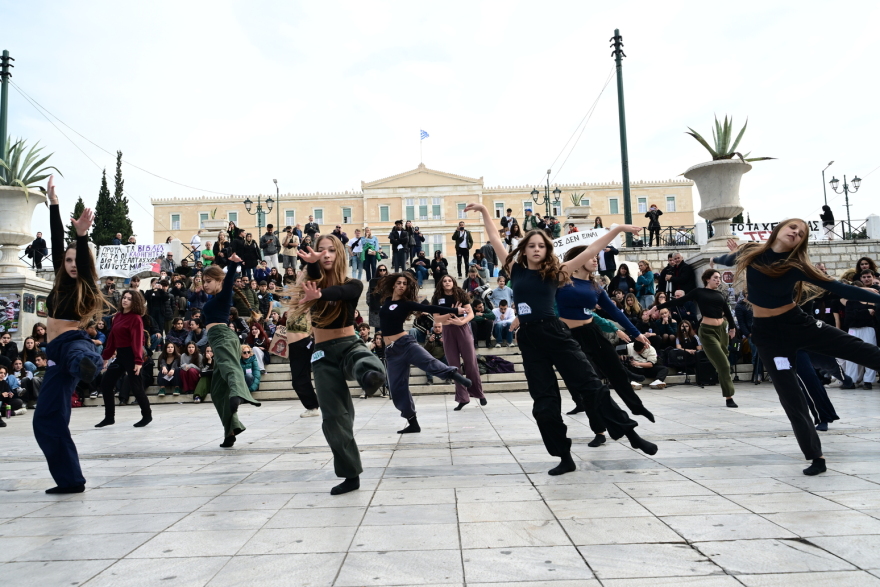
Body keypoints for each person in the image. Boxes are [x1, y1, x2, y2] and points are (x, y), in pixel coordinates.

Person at [468, 201, 653, 474]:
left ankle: (630, 434)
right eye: (531, 246)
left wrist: (620, 229)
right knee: (544, 403)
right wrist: (485, 211)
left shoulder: (557, 272)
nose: (536, 249)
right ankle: (564, 457)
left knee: (591, 385)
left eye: (541, 246)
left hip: (555, 332)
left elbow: (592, 249)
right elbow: (495, 237)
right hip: (530, 339)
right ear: (524, 249)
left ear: (547, 250)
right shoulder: (514, 269)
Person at [712, 221, 880, 476]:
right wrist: (715, 256)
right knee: (791, 398)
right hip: (768, 336)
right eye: (792, 227)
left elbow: (838, 287)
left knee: (856, 348)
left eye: (801, 233)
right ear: (779, 230)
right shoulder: (751, 252)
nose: (796, 233)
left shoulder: (796, 266)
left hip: (798, 323)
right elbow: (728, 258)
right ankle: (816, 457)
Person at [288, 235, 387, 495]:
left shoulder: (353, 284)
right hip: (321, 354)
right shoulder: (309, 285)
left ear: (341, 254)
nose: (327, 254)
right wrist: (311, 267)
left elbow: (342, 292)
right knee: (334, 418)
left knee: (363, 360)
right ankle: (350, 474)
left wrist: (320, 293)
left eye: (332, 250)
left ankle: (370, 377)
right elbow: (312, 285)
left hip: (348, 343)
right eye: (322, 251)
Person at [35, 176, 105, 494]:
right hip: (55, 356)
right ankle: (71, 480)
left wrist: (82, 236)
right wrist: (53, 203)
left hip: (71, 344)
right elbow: (53, 237)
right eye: (68, 260)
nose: (73, 264)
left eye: (79, 259)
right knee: (46, 421)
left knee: (80, 355)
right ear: (62, 262)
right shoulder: (61, 281)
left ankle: (91, 365)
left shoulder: (85, 284)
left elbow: (84, 262)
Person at [555, 245, 656, 428]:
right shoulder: (562, 281)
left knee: (616, 371)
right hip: (568, 337)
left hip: (591, 331)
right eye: (591, 257)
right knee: (590, 383)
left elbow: (615, 312)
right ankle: (599, 428)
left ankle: (636, 407)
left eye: (596, 257)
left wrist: (636, 333)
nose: (595, 260)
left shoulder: (595, 287)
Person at [376, 272, 470, 433]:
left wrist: (454, 310)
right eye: (398, 283)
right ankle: (413, 423)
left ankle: (456, 376)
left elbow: (429, 308)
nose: (401, 286)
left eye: (404, 284)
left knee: (429, 362)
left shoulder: (406, 304)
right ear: (393, 285)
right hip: (391, 352)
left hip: (405, 344)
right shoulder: (385, 302)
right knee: (397, 388)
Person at [201, 252, 261, 449]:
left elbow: (228, 283)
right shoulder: (214, 299)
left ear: (219, 281)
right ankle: (231, 432)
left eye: (209, 281)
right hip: (218, 340)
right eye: (203, 281)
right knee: (218, 392)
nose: (205, 285)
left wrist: (232, 264)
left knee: (229, 367)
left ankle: (238, 393)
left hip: (223, 338)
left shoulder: (224, 294)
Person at [654, 268, 738, 405]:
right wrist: (658, 307)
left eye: (719, 278)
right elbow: (678, 301)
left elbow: (727, 312)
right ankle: (729, 397)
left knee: (723, 361)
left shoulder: (720, 294)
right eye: (715, 278)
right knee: (724, 365)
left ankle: (721, 371)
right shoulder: (699, 292)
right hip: (707, 331)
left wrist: (733, 328)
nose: (718, 280)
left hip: (722, 329)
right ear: (707, 279)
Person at [94, 289, 152, 428]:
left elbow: (137, 341)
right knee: (106, 383)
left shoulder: (136, 319)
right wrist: (106, 357)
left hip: (132, 355)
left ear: (135, 302)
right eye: (124, 297)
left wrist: (138, 361)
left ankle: (147, 415)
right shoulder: (118, 316)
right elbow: (112, 339)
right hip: (120, 355)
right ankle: (109, 417)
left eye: (129, 298)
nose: (125, 300)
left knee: (136, 387)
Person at [431, 274, 485, 410]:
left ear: (453, 282)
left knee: (471, 362)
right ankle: (462, 398)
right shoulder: (437, 297)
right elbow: (437, 318)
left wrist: (461, 321)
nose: (447, 282)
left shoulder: (460, 294)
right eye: (445, 281)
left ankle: (478, 393)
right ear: (441, 283)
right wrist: (452, 312)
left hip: (463, 329)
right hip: (448, 331)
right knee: (454, 366)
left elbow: (471, 314)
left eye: (449, 280)